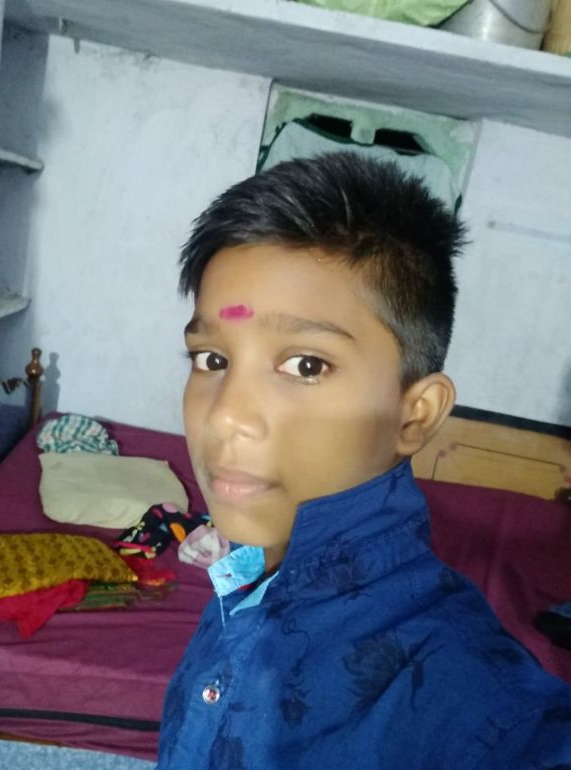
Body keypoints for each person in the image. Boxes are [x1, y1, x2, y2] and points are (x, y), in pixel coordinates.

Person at [156, 152, 571, 769]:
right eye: (211, 360)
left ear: (414, 416)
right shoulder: (252, 569)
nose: (225, 417)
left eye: (306, 365)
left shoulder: (476, 703)